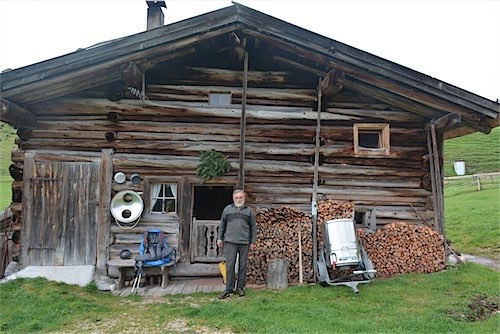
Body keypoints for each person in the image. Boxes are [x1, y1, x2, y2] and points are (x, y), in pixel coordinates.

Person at [217, 189, 256, 299]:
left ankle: (240, 288)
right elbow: (222, 225)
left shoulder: (249, 211)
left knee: (242, 266)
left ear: (244, 198)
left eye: (240, 197)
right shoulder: (227, 209)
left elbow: (253, 227)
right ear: (233, 198)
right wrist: (220, 238)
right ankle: (228, 289)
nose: (238, 199)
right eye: (236, 198)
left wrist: (253, 241)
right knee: (230, 265)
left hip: (244, 242)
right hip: (230, 241)